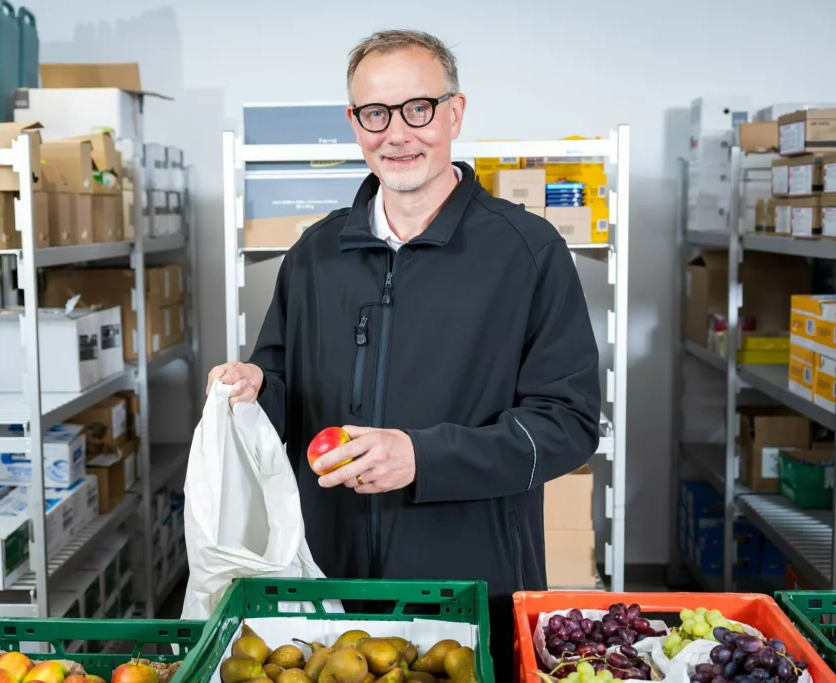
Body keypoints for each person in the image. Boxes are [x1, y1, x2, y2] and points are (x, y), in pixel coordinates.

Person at [207, 28, 601, 682]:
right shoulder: (314, 254)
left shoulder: (526, 253)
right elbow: (284, 392)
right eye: (375, 114)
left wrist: (423, 457)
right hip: (328, 589)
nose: (397, 134)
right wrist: (253, 389)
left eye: (418, 109)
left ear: (454, 112)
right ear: (353, 123)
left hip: (470, 586)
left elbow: (569, 425)